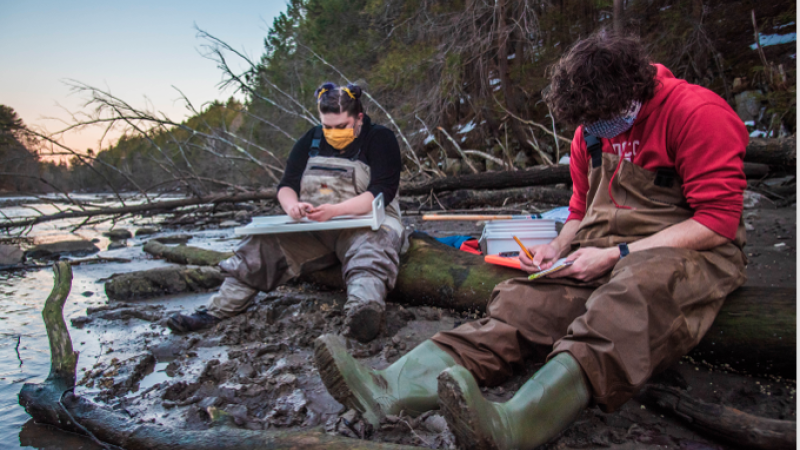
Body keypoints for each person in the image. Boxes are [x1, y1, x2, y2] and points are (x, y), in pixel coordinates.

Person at [313, 32, 748, 449]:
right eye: (588, 124)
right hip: (601, 247)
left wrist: (616, 255)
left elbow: (718, 222)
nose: (596, 131)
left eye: (603, 121)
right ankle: (388, 389)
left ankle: (515, 424)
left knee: (631, 298)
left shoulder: (697, 113)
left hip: (688, 252)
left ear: (634, 89)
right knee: (522, 305)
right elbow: (579, 210)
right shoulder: (590, 129)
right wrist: (558, 248)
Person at [167, 83, 405, 343]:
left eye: (341, 126)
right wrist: (292, 206)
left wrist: (336, 211)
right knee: (260, 245)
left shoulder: (380, 138)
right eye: (328, 127)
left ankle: (362, 314)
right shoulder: (310, 140)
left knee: (370, 252)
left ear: (359, 118)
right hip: (317, 227)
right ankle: (216, 311)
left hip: (369, 224)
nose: (333, 133)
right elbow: (287, 186)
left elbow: (382, 191)